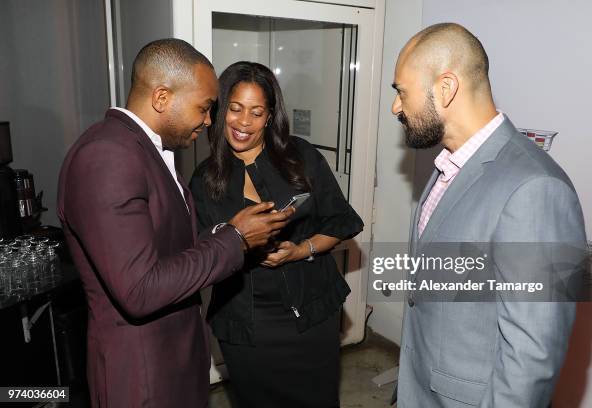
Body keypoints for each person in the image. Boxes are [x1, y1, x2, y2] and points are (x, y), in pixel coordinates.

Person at [57, 39, 292, 408]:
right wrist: (235, 239)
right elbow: (139, 290)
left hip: (173, 359)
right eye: (203, 107)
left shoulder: (145, 148)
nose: (209, 120)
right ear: (162, 98)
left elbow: (166, 246)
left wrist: (221, 232)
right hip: (142, 375)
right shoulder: (107, 157)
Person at [391, 23, 587, 406]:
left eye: (402, 92)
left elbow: (532, 359)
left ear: (445, 88)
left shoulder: (536, 190)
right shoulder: (446, 166)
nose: (396, 106)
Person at [190, 61, 364, 407]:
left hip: (312, 314)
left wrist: (300, 250)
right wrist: (235, 241)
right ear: (220, 109)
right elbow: (200, 255)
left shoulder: (301, 156)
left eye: (257, 113)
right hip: (247, 325)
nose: (244, 122)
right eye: (235, 109)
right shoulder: (203, 180)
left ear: (270, 116)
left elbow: (340, 222)